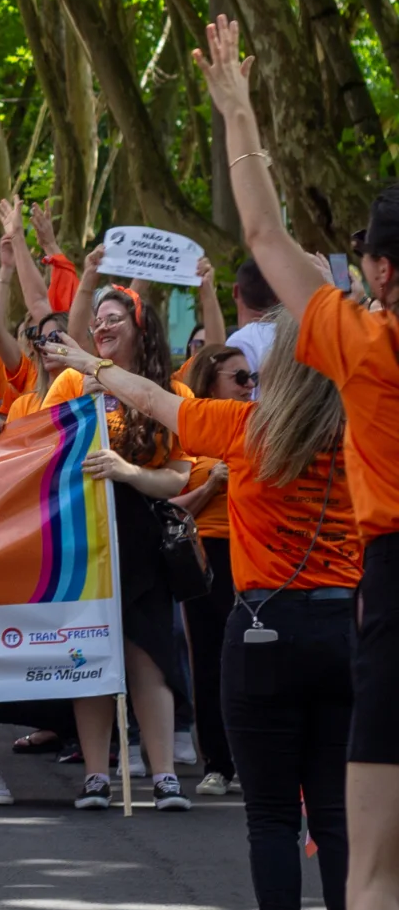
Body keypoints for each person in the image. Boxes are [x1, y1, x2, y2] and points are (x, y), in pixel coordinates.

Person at [198, 17, 399, 910]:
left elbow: (266, 233)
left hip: (389, 594)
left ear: (373, 266)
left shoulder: (359, 342)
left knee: (371, 868)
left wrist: (238, 110)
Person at [77, 316, 356, 910]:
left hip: (264, 624)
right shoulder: (367, 438)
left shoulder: (244, 428)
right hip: (348, 629)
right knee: (335, 811)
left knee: (269, 813)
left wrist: (87, 360)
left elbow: (149, 396)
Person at [35, 288, 195, 810]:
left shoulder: (169, 393)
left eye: (114, 319)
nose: (102, 327)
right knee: (90, 654)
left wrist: (129, 472)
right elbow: (38, 452)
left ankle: (164, 775)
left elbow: (179, 477)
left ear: (139, 327)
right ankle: (98, 776)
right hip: (81, 535)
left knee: (146, 655)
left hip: (142, 536)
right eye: (97, 320)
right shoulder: (69, 383)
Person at [177, 341, 256, 798]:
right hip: (208, 555)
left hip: (258, 556)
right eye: (239, 378)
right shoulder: (192, 433)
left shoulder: (261, 423)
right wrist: (212, 483)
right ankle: (217, 764)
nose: (249, 387)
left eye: (252, 377)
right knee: (209, 659)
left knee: (256, 660)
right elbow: (170, 506)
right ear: (210, 381)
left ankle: (252, 759)